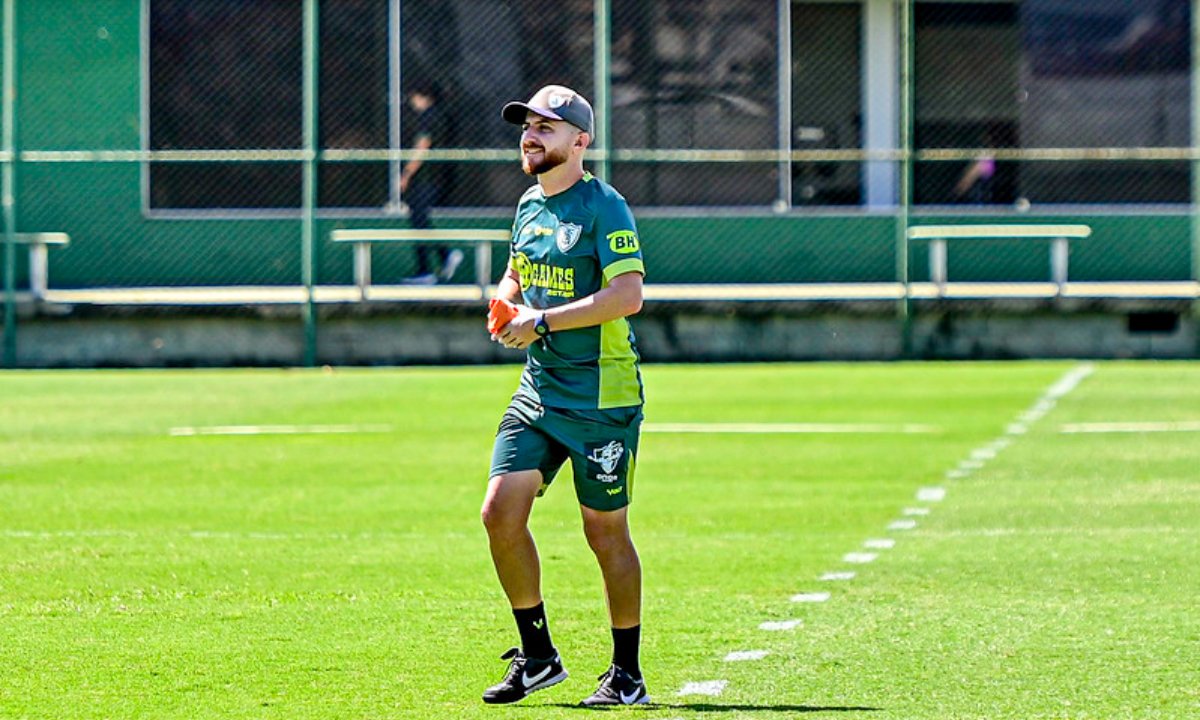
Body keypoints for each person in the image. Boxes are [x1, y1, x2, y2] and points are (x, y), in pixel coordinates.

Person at [480, 85, 649, 707]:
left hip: (602, 396)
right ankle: (538, 655)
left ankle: (626, 674)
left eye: (547, 127)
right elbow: (518, 270)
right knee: (499, 513)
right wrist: (505, 302)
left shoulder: (605, 206)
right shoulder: (529, 203)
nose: (531, 135)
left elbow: (628, 296)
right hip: (539, 389)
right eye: (526, 124)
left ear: (581, 141)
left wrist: (542, 323)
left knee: (604, 534)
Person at [399, 80, 463, 284]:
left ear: (422, 96)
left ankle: (429, 267)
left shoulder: (429, 116)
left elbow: (422, 146)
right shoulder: (440, 116)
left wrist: (406, 174)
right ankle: (437, 260)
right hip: (435, 178)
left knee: (419, 218)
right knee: (419, 219)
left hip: (427, 179)